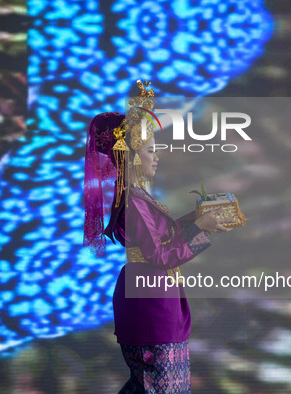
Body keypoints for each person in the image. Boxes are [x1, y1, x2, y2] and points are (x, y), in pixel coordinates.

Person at [83, 81, 231, 393]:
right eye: (151, 150)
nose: (157, 156)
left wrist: (196, 219)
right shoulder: (135, 201)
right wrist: (200, 226)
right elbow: (160, 256)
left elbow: (159, 238)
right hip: (151, 306)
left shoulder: (136, 197)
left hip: (153, 299)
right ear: (134, 156)